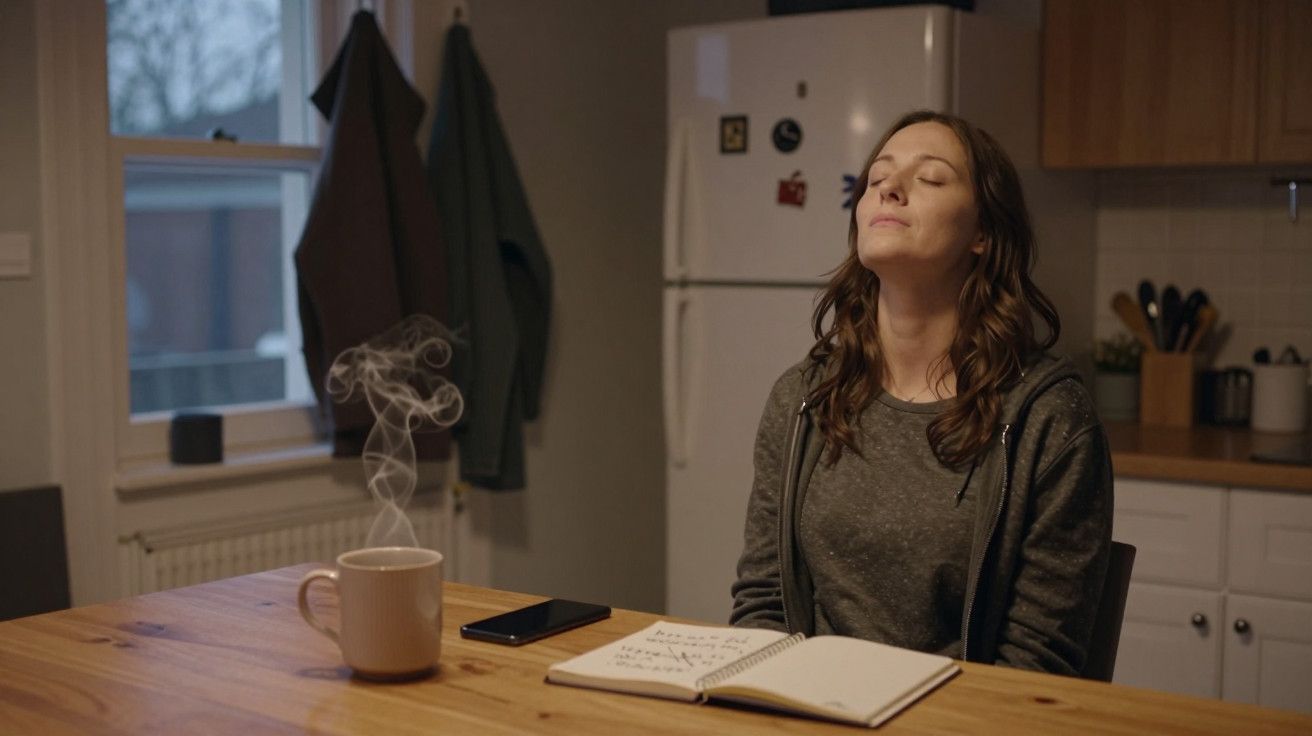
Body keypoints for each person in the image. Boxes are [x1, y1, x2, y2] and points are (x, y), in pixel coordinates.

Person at [729, 110, 1113, 676]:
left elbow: (1036, 664)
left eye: (930, 178)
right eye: (876, 178)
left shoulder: (1049, 419)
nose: (889, 187)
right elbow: (762, 605)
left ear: (983, 233)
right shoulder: (804, 399)